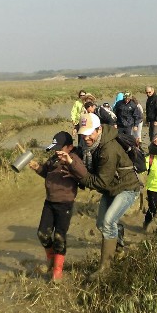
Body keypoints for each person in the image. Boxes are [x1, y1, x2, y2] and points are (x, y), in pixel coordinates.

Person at [57, 113, 141, 280]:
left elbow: (100, 182)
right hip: (112, 188)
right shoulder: (92, 146)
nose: (86, 138)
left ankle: (105, 268)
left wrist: (75, 169)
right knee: (102, 223)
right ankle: (118, 248)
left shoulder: (107, 150)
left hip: (127, 188)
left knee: (108, 222)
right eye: (83, 134)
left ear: (99, 129)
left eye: (90, 133)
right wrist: (72, 163)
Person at [28, 131, 87, 282]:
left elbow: (83, 174)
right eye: (55, 147)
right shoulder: (53, 158)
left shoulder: (74, 159)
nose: (56, 151)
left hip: (65, 203)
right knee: (43, 233)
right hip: (49, 202)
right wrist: (37, 168)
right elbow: (47, 173)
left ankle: (57, 271)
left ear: (70, 147)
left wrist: (69, 161)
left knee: (59, 237)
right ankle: (50, 257)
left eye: (60, 148)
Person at [143, 153, 157, 232]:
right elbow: (140, 169)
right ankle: (146, 224)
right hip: (152, 188)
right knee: (153, 208)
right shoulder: (150, 158)